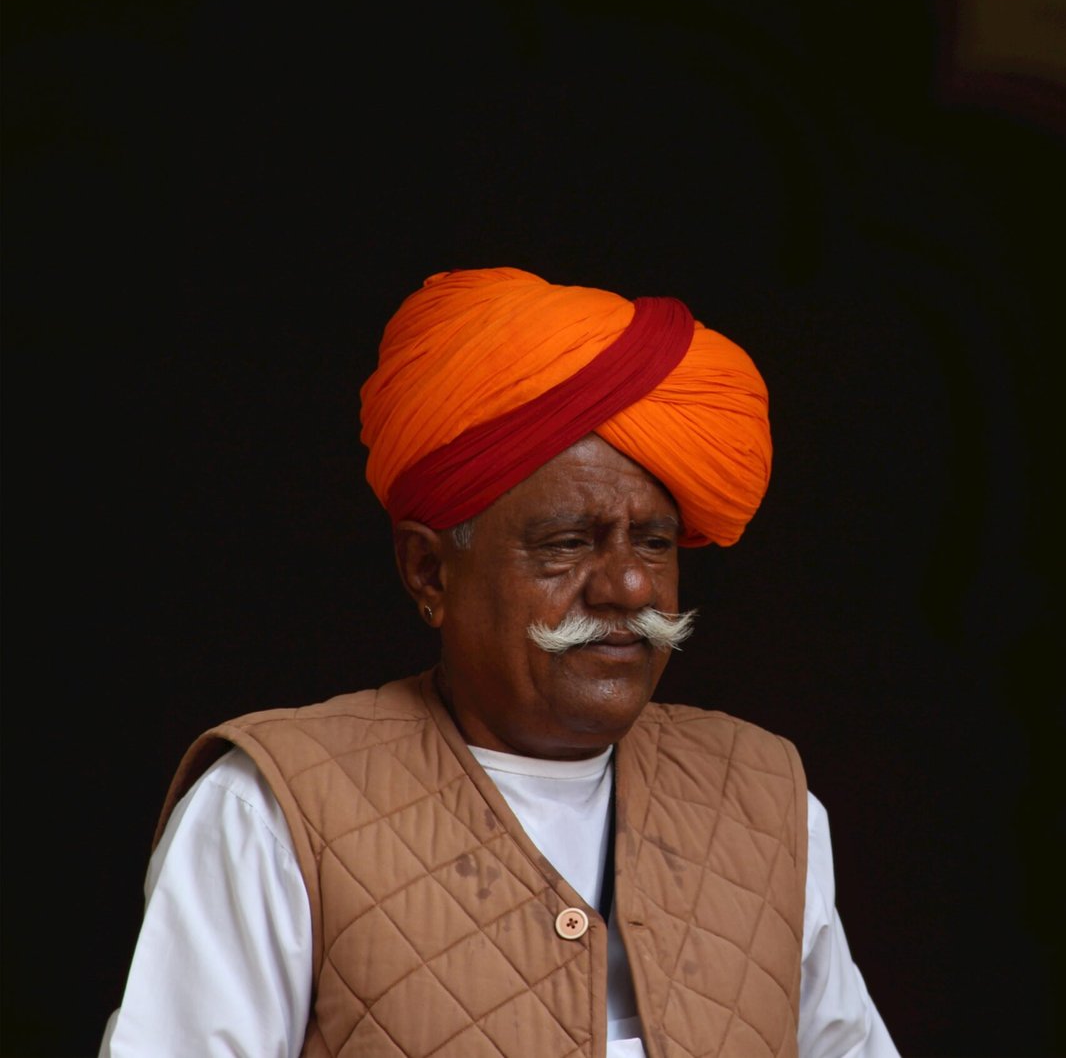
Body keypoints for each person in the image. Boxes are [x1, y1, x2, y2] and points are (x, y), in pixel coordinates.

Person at [100, 268, 897, 1058]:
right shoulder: (270, 811)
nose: (627, 584)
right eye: (568, 544)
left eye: (652, 542)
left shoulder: (768, 800)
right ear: (430, 573)